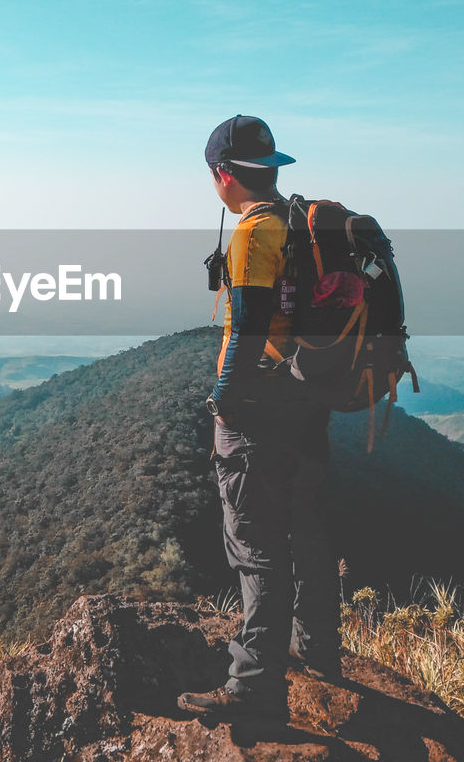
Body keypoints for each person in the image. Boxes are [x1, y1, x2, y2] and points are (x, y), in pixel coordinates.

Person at [178, 115, 341, 723]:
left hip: (258, 409)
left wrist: (222, 398)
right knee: (307, 527)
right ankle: (319, 649)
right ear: (270, 167)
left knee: (255, 545)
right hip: (306, 397)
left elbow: (245, 327)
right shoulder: (301, 223)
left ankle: (253, 691)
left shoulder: (254, 233)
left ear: (223, 176)